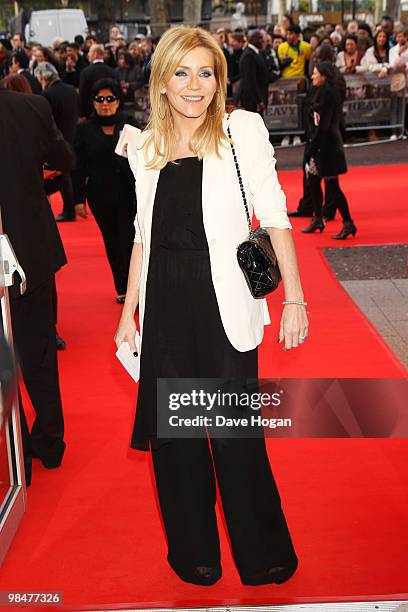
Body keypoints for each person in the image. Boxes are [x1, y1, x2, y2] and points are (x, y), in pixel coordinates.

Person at [115, 25, 307, 587]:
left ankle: (264, 555)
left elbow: (274, 217)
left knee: (232, 434)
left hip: (223, 299)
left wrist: (294, 297)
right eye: (182, 72)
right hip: (166, 303)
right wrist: (129, 310)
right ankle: (194, 555)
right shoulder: (147, 145)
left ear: (219, 79)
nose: (194, 86)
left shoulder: (241, 130)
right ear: (162, 80)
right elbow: (141, 236)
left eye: (206, 72)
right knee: (173, 439)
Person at [0, 86, 73, 486]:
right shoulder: (31, 107)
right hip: (31, 248)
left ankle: (15, 452)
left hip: (24, 250)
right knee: (39, 350)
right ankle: (50, 440)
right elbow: (64, 158)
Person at [72, 78, 138, 303]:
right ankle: (122, 288)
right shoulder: (83, 130)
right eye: (100, 99)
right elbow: (77, 167)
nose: (105, 103)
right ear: (93, 102)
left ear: (118, 101)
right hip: (100, 197)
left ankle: (136, 289)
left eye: (110, 98)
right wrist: (77, 200)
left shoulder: (129, 125)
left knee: (131, 240)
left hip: (130, 193)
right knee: (112, 242)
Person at [301, 61, 357, 239]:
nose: (312, 76)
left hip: (328, 147)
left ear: (324, 76)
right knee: (313, 181)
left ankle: (348, 223)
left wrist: (311, 148)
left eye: (316, 73)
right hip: (318, 144)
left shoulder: (330, 94)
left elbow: (324, 125)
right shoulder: (315, 91)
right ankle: (318, 218)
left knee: (333, 187)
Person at [35, 62, 79, 222]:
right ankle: (70, 208)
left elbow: (47, 120)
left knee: (61, 175)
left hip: (58, 138)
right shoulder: (71, 90)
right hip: (73, 134)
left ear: (44, 77)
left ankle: (68, 210)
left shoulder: (48, 94)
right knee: (67, 174)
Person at [78, 44, 118, 119]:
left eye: (90, 52)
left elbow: (83, 95)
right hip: (110, 111)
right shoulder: (112, 72)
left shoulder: (85, 72)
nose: (88, 55)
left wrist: (82, 114)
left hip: (91, 113)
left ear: (95, 54)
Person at [236, 29, 269, 114]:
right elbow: (250, 80)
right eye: (260, 38)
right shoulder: (249, 56)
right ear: (253, 40)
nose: (263, 40)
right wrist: (258, 101)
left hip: (255, 100)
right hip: (251, 101)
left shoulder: (255, 53)